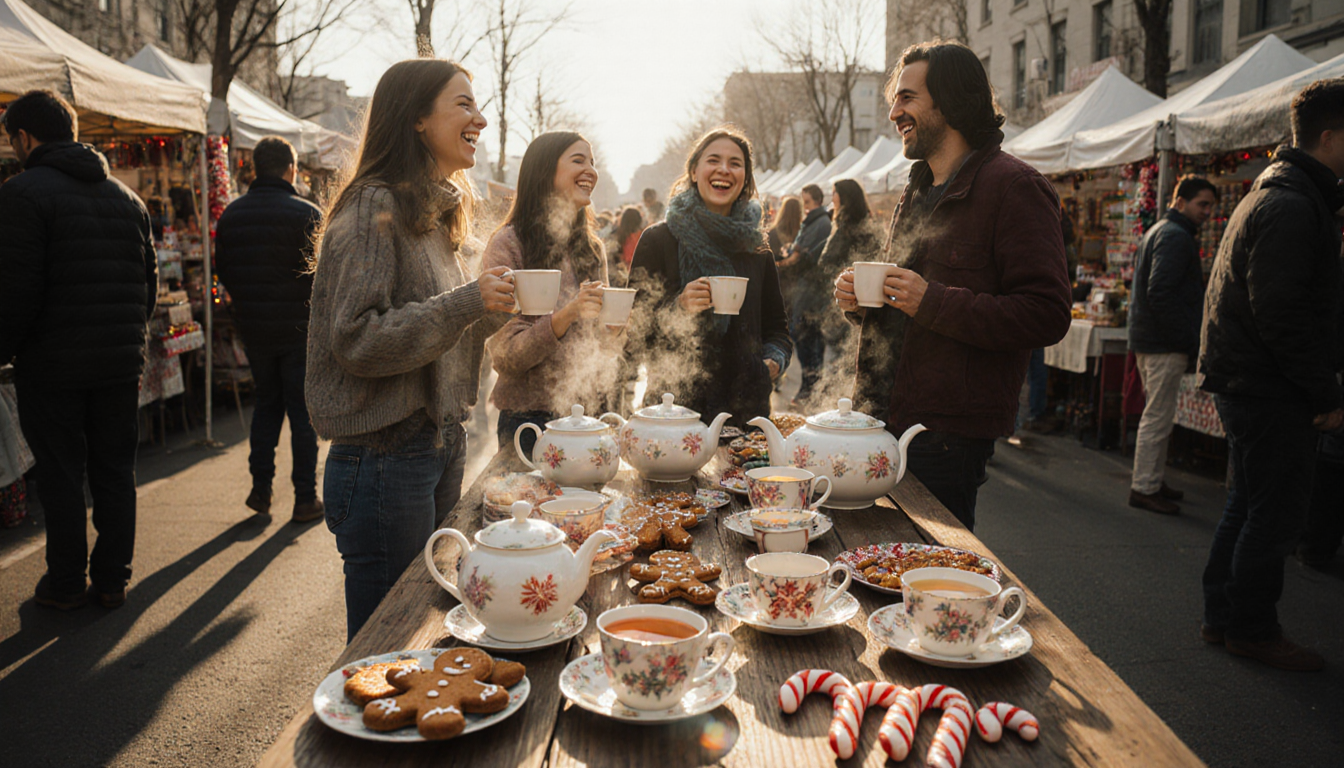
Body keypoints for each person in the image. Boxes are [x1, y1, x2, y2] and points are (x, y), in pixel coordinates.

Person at [305, 59, 516, 641]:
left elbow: (433, 333)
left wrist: (492, 309)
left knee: (420, 629)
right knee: (386, 645)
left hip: (434, 445)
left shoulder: (433, 213)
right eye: (464, 105)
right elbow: (358, 339)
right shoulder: (374, 207)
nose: (481, 118)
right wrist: (466, 303)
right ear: (418, 119)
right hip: (383, 458)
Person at [832, 41, 1072, 530]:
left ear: (951, 100)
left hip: (945, 436)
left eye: (907, 99)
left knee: (931, 573)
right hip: (881, 417)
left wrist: (931, 302)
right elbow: (906, 301)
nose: (895, 112)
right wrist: (861, 303)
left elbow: (1047, 312)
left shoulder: (1014, 186)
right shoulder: (916, 186)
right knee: (873, 559)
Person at [1198, 79, 1344, 672]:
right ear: (1331, 137)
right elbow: (1281, 312)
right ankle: (1251, 626)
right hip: (1267, 385)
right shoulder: (1288, 201)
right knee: (1273, 512)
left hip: (1252, 380)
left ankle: (1225, 616)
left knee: (1248, 504)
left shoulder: (1281, 192)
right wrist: (1324, 392)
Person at [0, 90, 158, 610]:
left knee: (62, 473)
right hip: (118, 362)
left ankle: (65, 581)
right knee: (115, 471)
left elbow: (16, 290)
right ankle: (112, 579)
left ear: (25, 137)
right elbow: (148, 287)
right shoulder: (127, 199)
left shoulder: (22, 194)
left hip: (53, 364)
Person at [627, 126, 792, 425]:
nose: (724, 170)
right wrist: (679, 308)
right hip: (674, 414)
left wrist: (773, 362)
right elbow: (633, 332)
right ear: (693, 171)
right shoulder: (659, 240)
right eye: (714, 160)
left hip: (747, 413)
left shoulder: (757, 247)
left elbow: (777, 328)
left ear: (745, 178)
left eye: (735, 163)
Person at [484, 131, 618, 455]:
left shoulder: (591, 247)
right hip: (529, 422)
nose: (590, 170)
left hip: (588, 413)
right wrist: (567, 315)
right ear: (545, 170)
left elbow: (601, 345)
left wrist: (614, 330)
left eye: (593, 162)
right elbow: (505, 356)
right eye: (578, 160)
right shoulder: (508, 244)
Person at [214, 136, 325, 523]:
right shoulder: (306, 214)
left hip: (256, 330)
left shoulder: (231, 215)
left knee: (265, 407)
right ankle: (304, 497)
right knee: (301, 415)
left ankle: (261, 489)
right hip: (299, 330)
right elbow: (322, 278)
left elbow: (223, 272)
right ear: (290, 168)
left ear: (255, 169)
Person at [1126, 176, 1218, 515]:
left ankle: (1150, 478)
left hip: (1153, 339)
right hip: (1162, 342)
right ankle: (1145, 486)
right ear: (1181, 201)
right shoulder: (1175, 236)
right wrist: (1187, 339)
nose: (1207, 212)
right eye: (1202, 204)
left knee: (1158, 415)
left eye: (1211, 206)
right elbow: (1161, 293)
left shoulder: (1163, 231)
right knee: (1158, 416)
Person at [777, 183, 832, 407]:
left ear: (817, 201)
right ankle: (811, 389)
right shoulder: (813, 221)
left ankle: (811, 390)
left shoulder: (820, 223)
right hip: (807, 291)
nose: (805, 207)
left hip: (812, 294)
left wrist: (785, 259)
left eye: (807, 202)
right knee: (807, 339)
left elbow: (803, 257)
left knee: (808, 340)